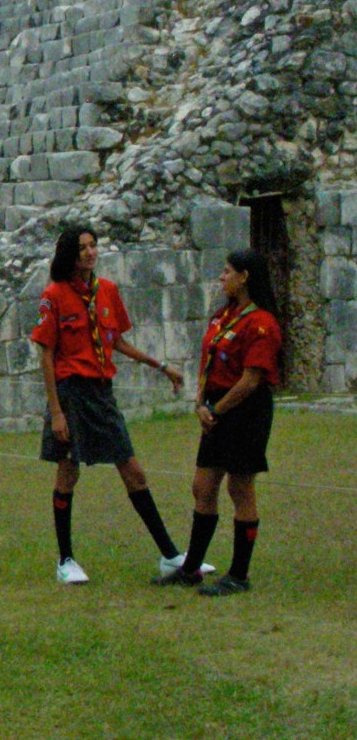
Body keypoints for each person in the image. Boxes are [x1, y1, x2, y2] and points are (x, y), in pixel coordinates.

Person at [30, 225, 207, 585]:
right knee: (68, 472)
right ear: (69, 253)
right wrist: (57, 411)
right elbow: (46, 354)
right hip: (71, 393)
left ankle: (170, 556)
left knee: (133, 470)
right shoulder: (55, 295)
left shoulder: (106, 290)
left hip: (101, 393)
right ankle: (65, 560)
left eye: (93, 246)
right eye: (82, 248)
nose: (90, 253)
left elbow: (118, 342)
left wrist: (161, 367)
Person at [156, 248, 282, 596]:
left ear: (245, 277)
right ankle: (191, 568)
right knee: (203, 486)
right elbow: (209, 359)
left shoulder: (262, 323)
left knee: (240, 488)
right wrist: (200, 401)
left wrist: (217, 409)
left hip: (244, 412)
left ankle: (238, 575)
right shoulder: (223, 316)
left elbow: (251, 379)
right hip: (216, 408)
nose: (222, 277)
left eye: (228, 272)